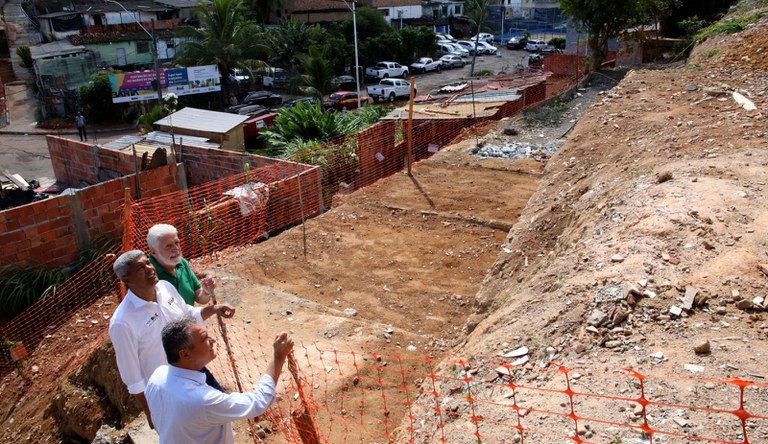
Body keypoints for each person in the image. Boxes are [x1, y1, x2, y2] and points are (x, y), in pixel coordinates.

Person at [109, 250, 235, 429]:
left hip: (196, 373)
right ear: (126, 280)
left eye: (148, 263)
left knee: (221, 421)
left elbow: (188, 314)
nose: (149, 269)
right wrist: (150, 412)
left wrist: (214, 308)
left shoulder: (166, 288)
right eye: (140, 268)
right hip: (167, 394)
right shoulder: (122, 322)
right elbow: (132, 375)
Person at [146, 317, 293, 444]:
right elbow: (258, 402)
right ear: (185, 354)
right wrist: (278, 357)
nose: (212, 340)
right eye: (204, 338)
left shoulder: (157, 377)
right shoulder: (202, 400)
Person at [147, 224, 214, 306]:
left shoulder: (182, 263)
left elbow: (199, 297)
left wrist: (206, 292)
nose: (176, 249)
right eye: (168, 246)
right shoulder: (147, 275)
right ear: (154, 252)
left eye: (177, 243)